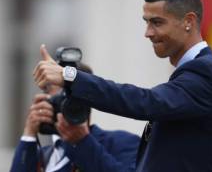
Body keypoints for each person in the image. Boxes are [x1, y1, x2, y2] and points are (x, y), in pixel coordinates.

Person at [33, 0, 212, 172]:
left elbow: (144, 102)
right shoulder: (195, 74)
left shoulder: (205, 74)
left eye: (157, 22)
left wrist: (69, 75)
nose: (148, 33)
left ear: (188, 21)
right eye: (147, 22)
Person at [10, 62, 140, 172]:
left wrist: (83, 142)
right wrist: (29, 134)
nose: (69, 101)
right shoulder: (43, 157)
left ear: (89, 98)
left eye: (71, 93)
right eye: (51, 92)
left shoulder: (122, 143)